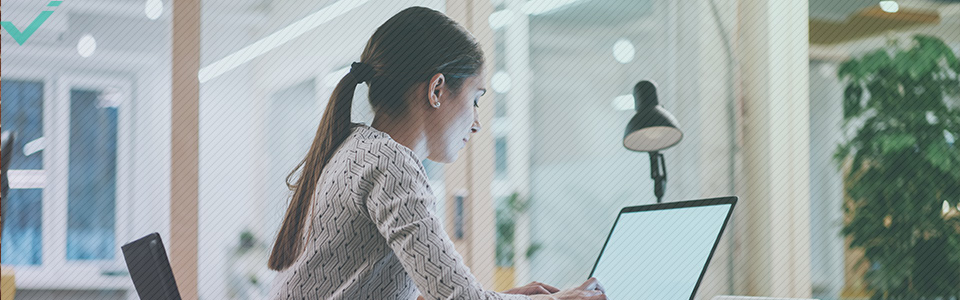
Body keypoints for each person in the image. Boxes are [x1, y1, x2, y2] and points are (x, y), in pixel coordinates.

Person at [267, 6, 607, 300]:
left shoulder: (356, 149)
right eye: (475, 99)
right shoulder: (390, 162)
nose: (476, 123)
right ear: (437, 89)